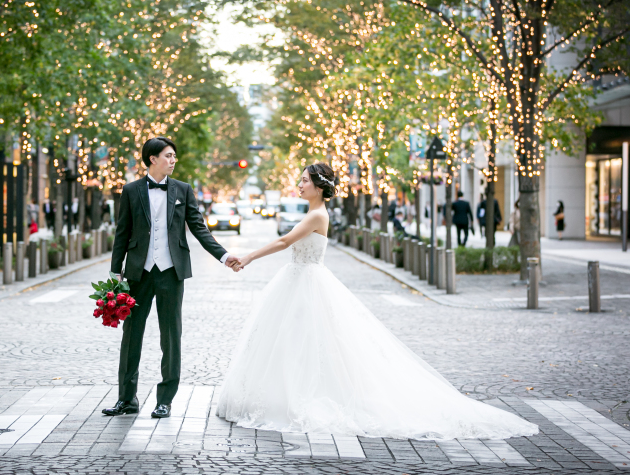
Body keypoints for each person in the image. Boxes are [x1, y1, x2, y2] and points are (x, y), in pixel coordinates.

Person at [216, 163, 538, 440]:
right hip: (298, 280)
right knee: (294, 342)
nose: (299, 185)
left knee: (308, 342)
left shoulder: (316, 215)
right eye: (300, 180)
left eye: (304, 180)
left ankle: (297, 398)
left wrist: (248, 257)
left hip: (307, 282)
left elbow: (286, 240)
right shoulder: (314, 213)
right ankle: (285, 395)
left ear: (319, 187)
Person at [102, 136, 242, 420]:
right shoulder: (130, 190)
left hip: (171, 272)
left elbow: (199, 229)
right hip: (138, 273)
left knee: (171, 336)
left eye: (174, 156)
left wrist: (224, 256)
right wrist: (116, 272)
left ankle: (165, 400)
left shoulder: (183, 190)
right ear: (152, 159)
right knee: (131, 336)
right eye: (168, 156)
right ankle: (126, 399)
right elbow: (122, 232)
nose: (173, 160)